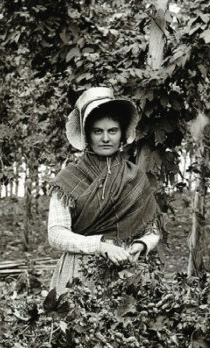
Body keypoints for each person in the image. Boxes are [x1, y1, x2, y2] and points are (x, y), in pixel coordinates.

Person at [47, 87, 161, 294]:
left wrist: (142, 245)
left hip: (127, 270)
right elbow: (56, 234)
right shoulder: (68, 179)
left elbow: (152, 229)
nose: (106, 138)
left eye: (113, 131)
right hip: (79, 274)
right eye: (98, 131)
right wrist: (99, 245)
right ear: (87, 135)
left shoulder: (136, 177)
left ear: (122, 133)